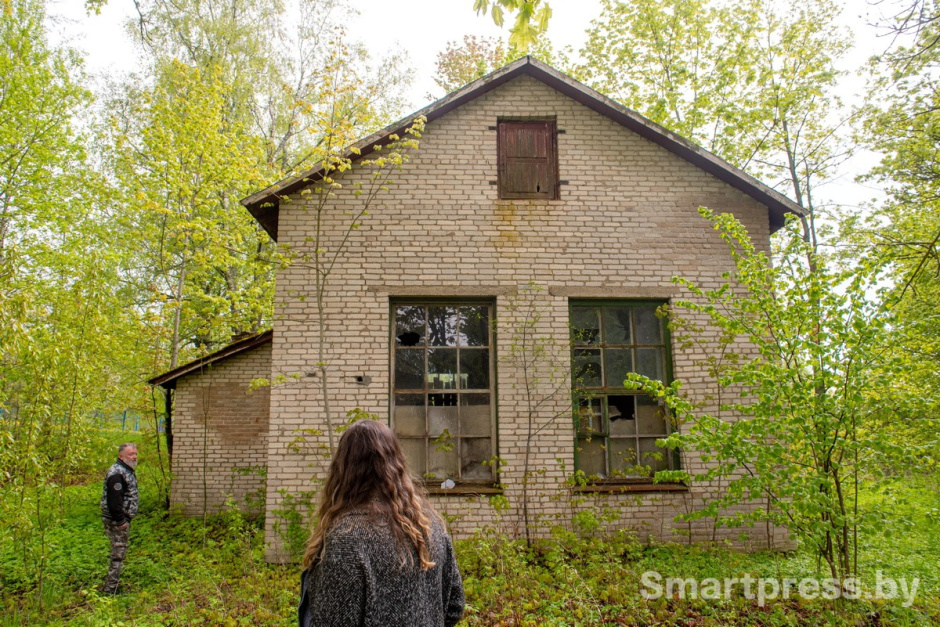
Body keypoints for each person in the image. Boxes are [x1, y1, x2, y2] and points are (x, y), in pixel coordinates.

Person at [298, 420, 464, 627]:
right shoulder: (429, 526)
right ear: (396, 463)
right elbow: (455, 606)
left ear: (343, 469)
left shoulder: (346, 539)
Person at [100, 442, 139, 595]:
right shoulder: (117, 473)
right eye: (131, 454)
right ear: (121, 456)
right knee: (118, 553)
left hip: (121, 519)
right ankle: (110, 590)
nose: (134, 457)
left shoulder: (126, 470)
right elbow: (114, 500)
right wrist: (121, 520)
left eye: (135, 454)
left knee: (119, 551)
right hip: (117, 521)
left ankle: (113, 585)